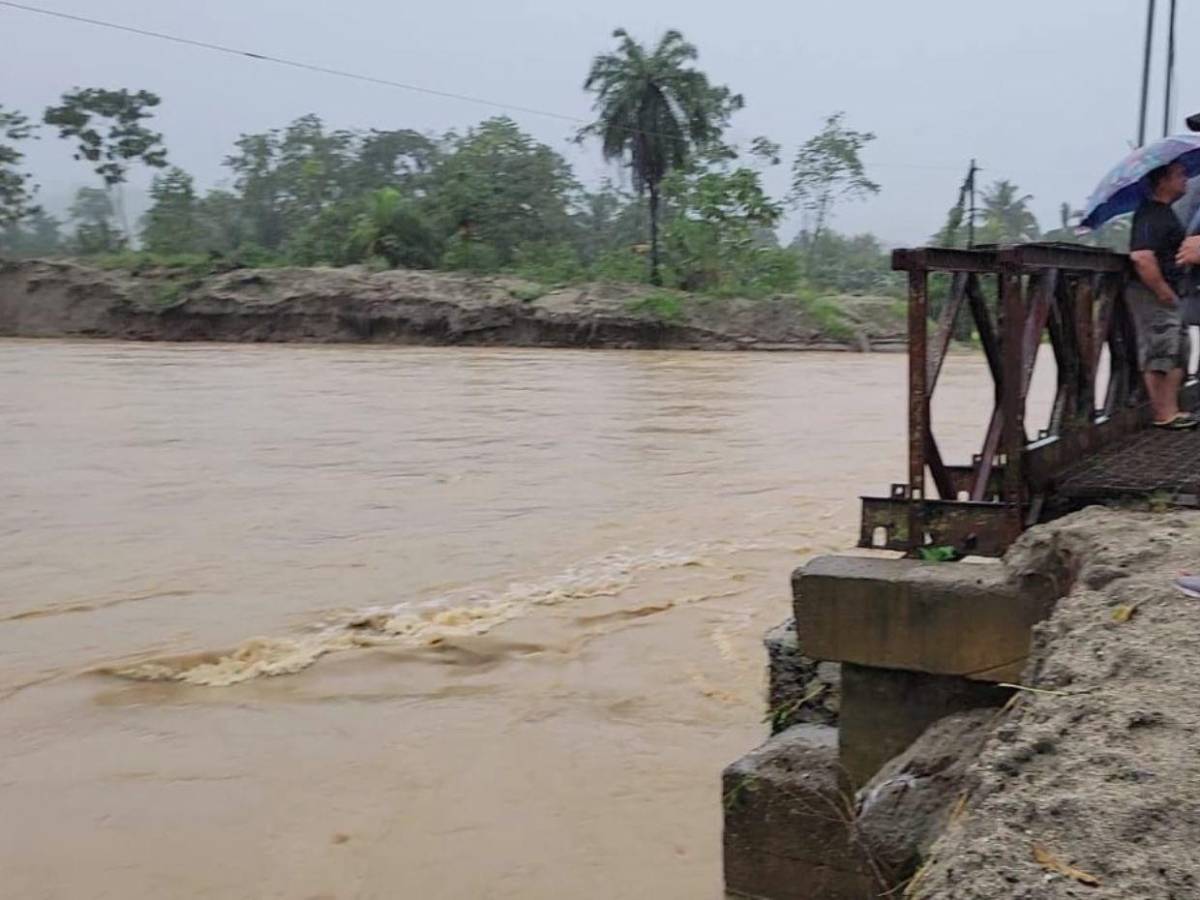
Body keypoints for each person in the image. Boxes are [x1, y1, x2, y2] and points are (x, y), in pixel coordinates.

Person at [1129, 161, 1197, 429]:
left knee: (1178, 349)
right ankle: (1162, 413)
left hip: (1171, 293)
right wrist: (1162, 290)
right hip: (1155, 293)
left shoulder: (1166, 213)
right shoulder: (1150, 214)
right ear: (1163, 181)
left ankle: (1172, 409)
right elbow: (1141, 256)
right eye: (1179, 175)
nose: (1185, 181)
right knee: (1161, 350)